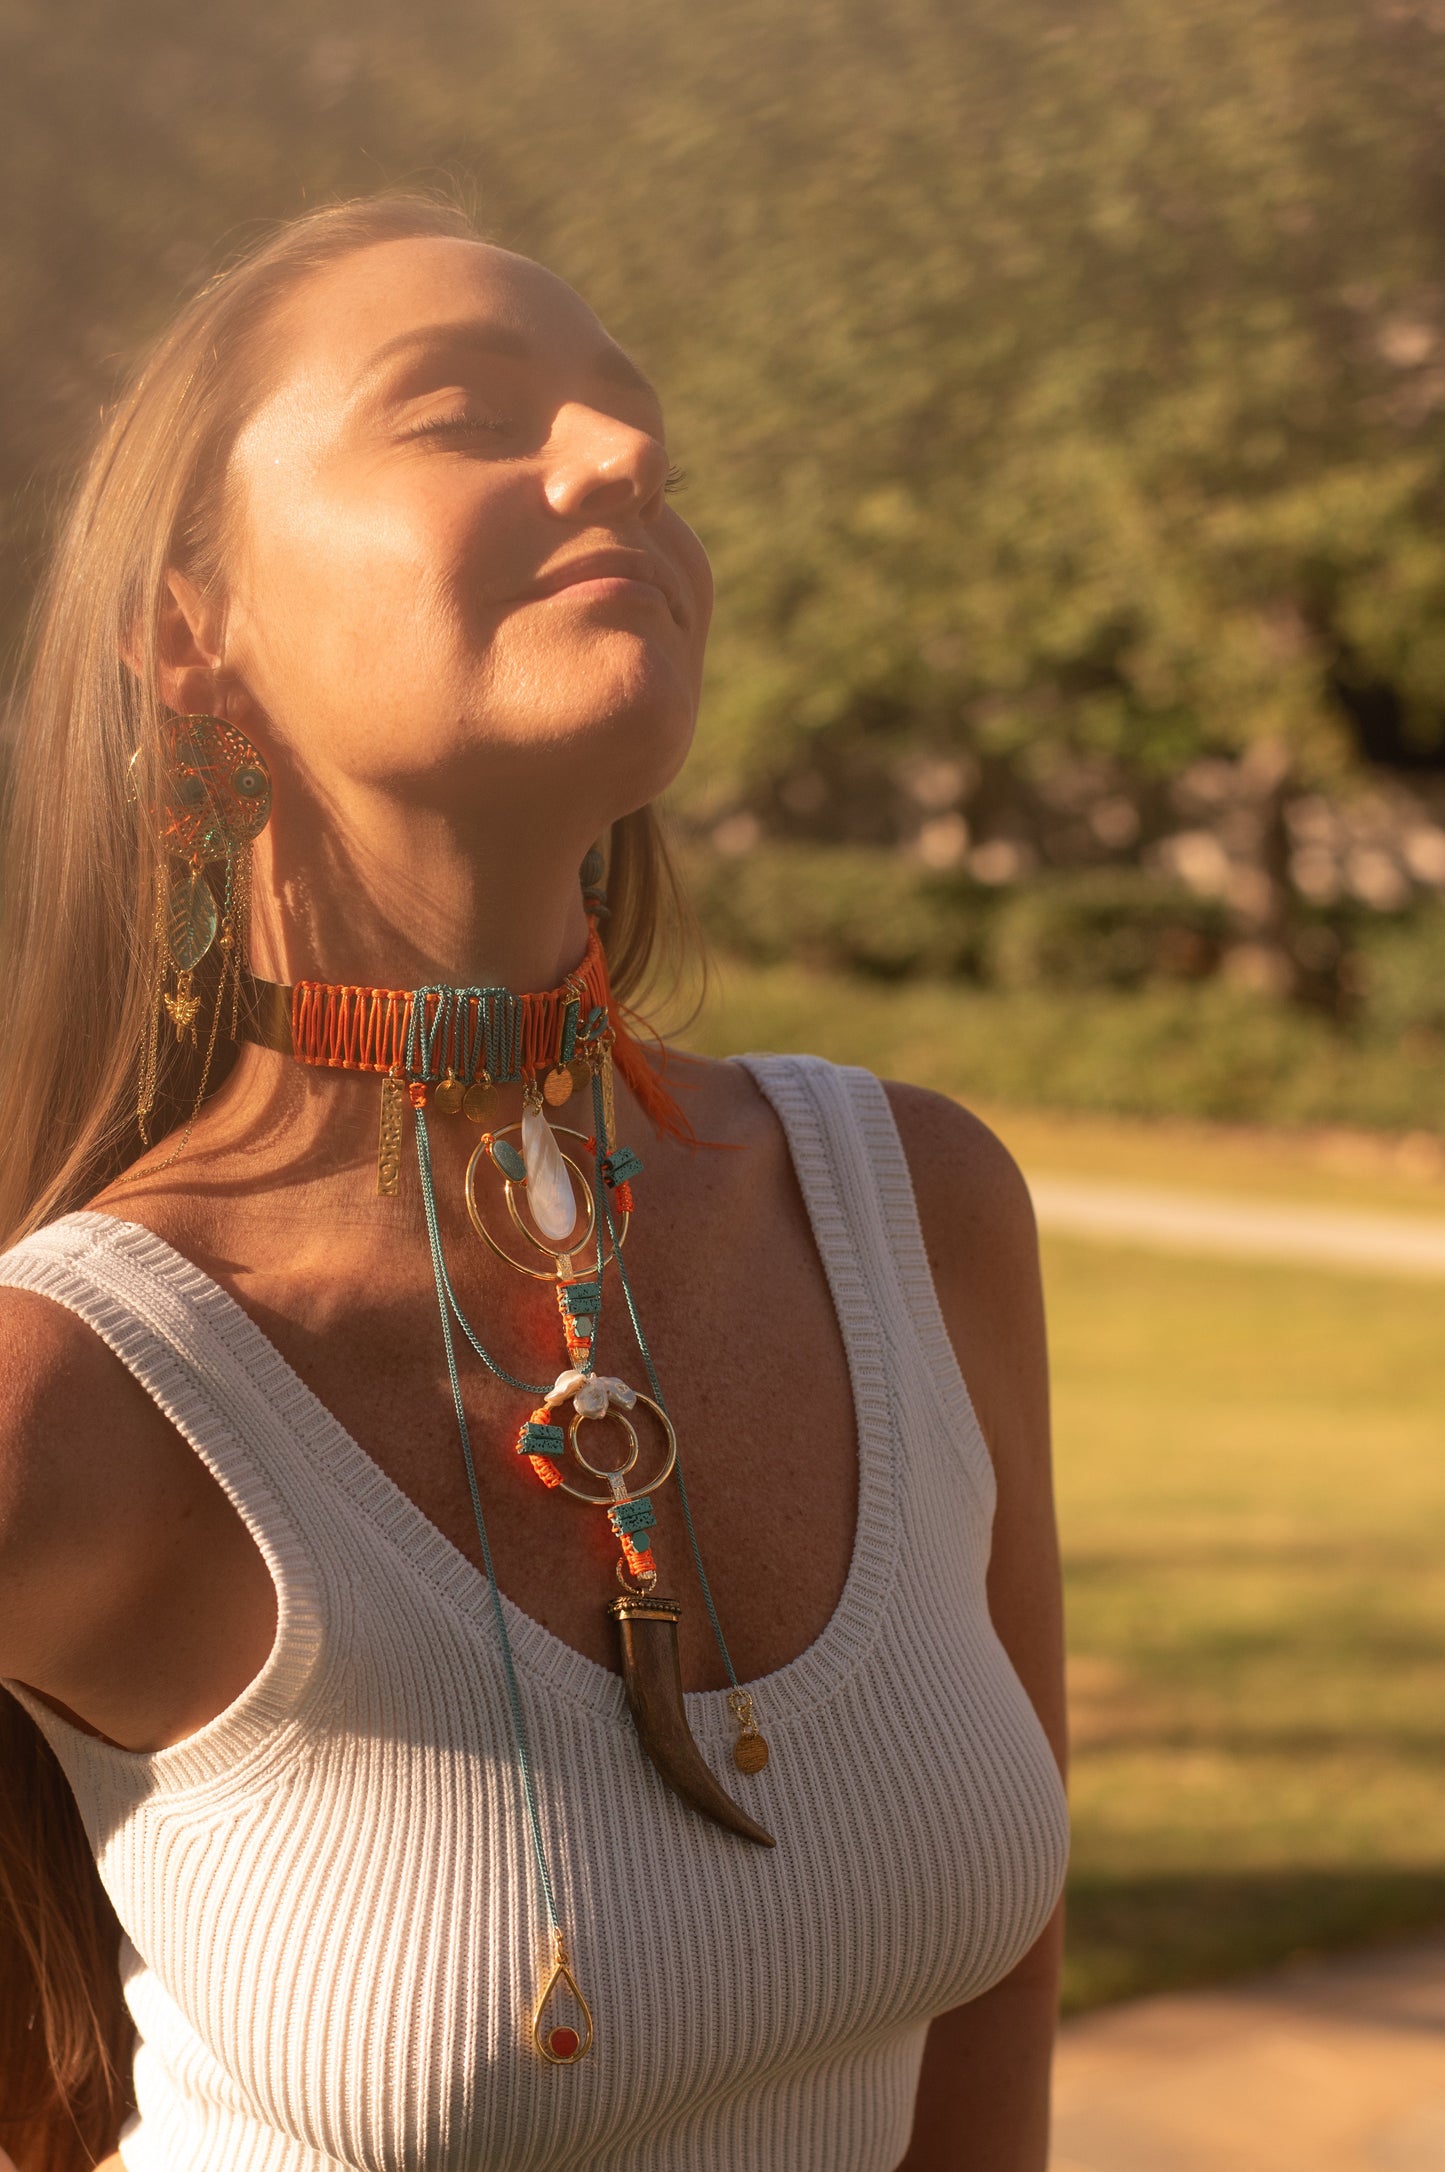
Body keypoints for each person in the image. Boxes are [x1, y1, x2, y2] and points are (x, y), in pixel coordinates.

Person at [0, 195, 1068, 2172]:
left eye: (635, 423)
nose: (625, 458)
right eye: (468, 408)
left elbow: (995, 1996)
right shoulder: (76, 1392)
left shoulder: (918, 1211)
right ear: (188, 632)